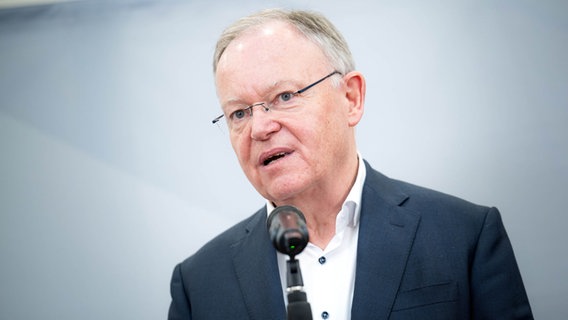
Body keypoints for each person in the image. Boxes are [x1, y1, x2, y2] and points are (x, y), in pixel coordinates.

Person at [168, 8, 532, 320]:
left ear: (351, 98)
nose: (260, 127)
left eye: (284, 96)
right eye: (238, 113)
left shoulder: (465, 236)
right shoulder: (198, 283)